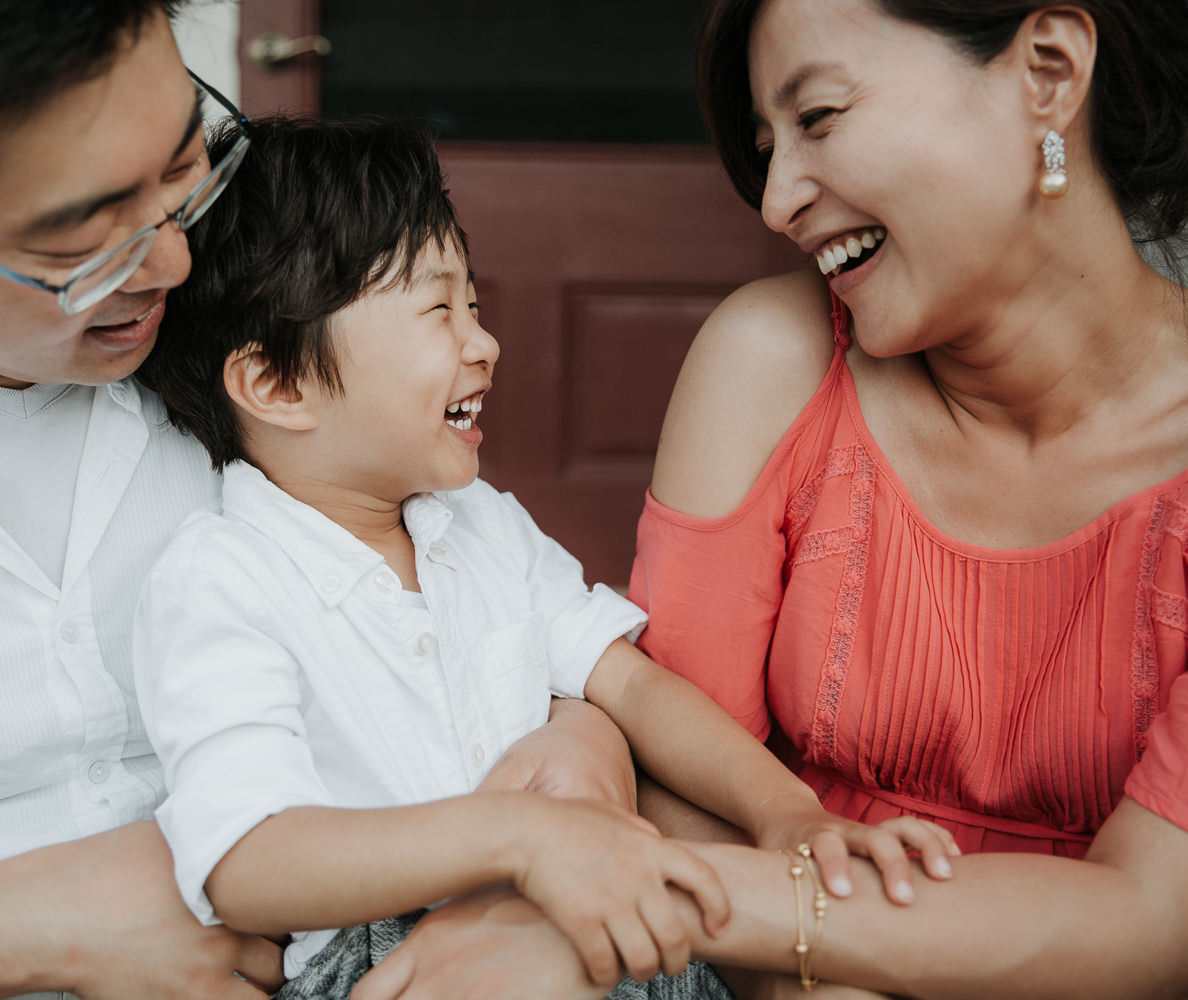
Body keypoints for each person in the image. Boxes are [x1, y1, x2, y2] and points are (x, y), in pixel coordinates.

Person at [0, 3, 700, 997]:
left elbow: (480, 598)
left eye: (181, 168)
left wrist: (580, 749)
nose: (171, 259)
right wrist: (16, 928)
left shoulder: (257, 308)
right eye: (81, 239)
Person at [348, 1, 1188, 998]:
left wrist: (648, 899)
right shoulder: (771, 361)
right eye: (765, 146)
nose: (778, 198)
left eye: (821, 116)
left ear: (1047, 70)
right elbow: (679, 756)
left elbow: (1149, 916)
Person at [132, 114, 956, 1000]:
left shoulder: (480, 526)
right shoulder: (220, 578)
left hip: (572, 901)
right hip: (388, 959)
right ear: (279, 385)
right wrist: (519, 836)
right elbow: (250, 863)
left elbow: (631, 686)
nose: (482, 343)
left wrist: (786, 814)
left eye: (473, 305)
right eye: (437, 310)